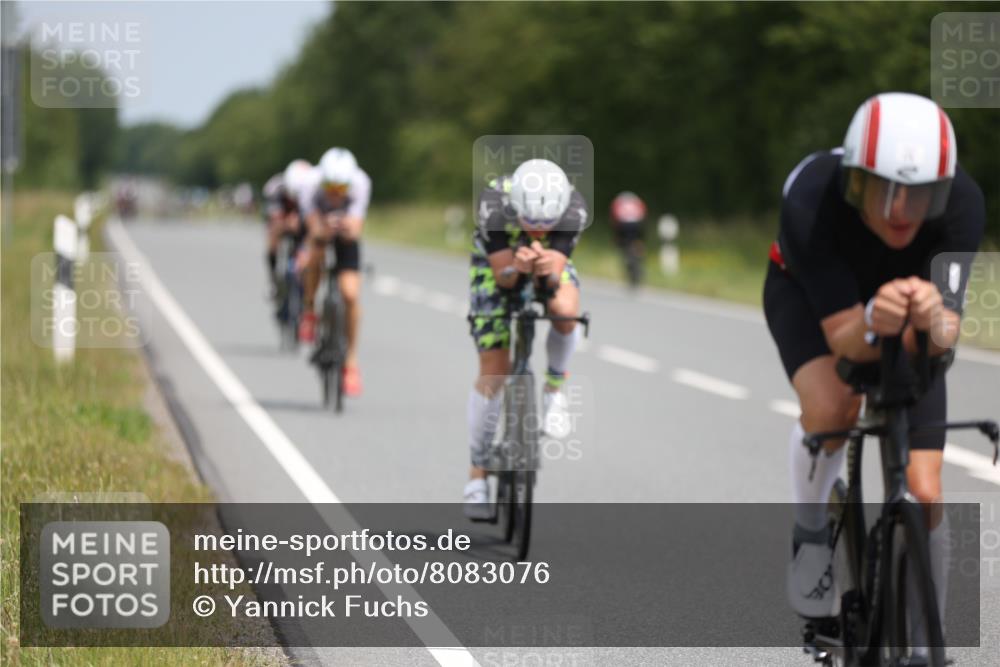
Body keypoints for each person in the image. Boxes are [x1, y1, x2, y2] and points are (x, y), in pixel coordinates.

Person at [763, 93, 985, 623]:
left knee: (926, 491)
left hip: (908, 315)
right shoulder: (811, 195)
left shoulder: (963, 204)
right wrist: (869, 320)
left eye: (919, 196)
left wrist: (933, 319)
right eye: (881, 191)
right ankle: (811, 533)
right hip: (811, 299)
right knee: (832, 409)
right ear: (853, 179)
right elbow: (844, 340)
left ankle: (922, 637)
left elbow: (943, 338)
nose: (900, 212)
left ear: (943, 189)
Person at [463, 158, 588, 518]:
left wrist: (546, 271)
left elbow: (554, 280)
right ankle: (477, 475)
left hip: (549, 261)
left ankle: (553, 391)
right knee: (494, 368)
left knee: (565, 312)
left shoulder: (574, 207)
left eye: (544, 226)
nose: (536, 231)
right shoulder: (493, 205)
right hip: (496, 263)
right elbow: (503, 279)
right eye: (529, 223)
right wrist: (517, 269)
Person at [297, 147, 371, 397]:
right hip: (320, 225)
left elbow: (356, 229)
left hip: (346, 234)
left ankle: (350, 361)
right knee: (314, 257)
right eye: (331, 188)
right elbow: (312, 228)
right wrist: (324, 229)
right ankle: (309, 309)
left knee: (350, 294)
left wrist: (346, 227)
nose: (335, 194)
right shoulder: (309, 184)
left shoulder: (361, 183)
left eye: (342, 189)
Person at [610, 191, 648, 287]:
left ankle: (628, 255)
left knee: (622, 243)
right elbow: (644, 215)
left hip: (623, 225)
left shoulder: (618, 202)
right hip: (637, 224)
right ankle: (640, 252)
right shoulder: (637, 202)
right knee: (638, 241)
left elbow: (614, 218)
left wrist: (616, 237)